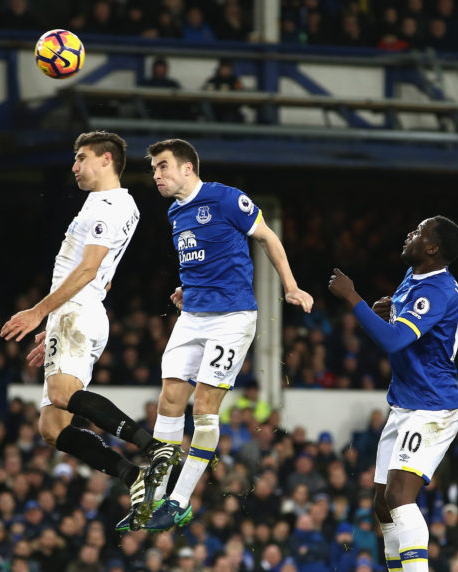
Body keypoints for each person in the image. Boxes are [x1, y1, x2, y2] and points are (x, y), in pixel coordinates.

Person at [61, 138, 313, 532]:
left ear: (187, 168)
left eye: (162, 167)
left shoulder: (228, 199)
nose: (156, 175)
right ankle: (154, 499)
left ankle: (180, 501)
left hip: (232, 318)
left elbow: (267, 237)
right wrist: (187, 290)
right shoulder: (176, 212)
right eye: (154, 168)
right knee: (169, 401)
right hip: (192, 316)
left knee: (204, 407)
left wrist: (291, 285)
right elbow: (202, 260)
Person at [328, 215, 458, 572]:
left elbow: (392, 342)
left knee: (402, 497)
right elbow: (401, 328)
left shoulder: (437, 288)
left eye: (419, 232)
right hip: (405, 404)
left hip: (432, 407)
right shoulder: (413, 277)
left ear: (433, 249)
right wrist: (388, 310)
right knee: (382, 505)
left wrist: (355, 300)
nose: (411, 234)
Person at [1, 131, 149, 513]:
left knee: (65, 395)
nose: (74, 167)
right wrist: (54, 327)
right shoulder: (123, 206)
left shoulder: (107, 205)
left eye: (81, 158)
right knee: (52, 428)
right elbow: (107, 275)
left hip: (77, 310)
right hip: (80, 313)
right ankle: (133, 474)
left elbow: (88, 270)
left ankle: (153, 446)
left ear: (106, 160)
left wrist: (39, 312)